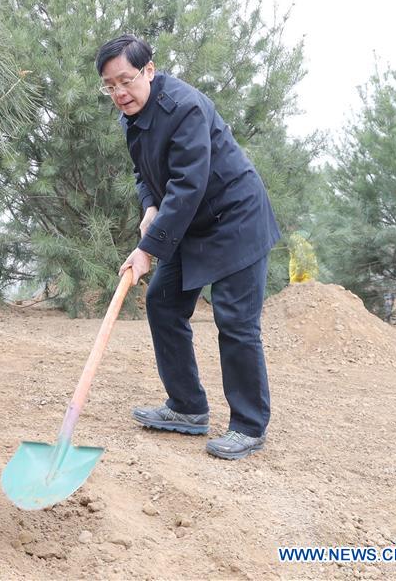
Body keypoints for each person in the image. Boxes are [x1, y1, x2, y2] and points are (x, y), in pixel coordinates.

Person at [95, 34, 281, 460]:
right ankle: (187, 407)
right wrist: (150, 205)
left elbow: (188, 186)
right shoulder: (131, 117)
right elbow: (145, 173)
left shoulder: (184, 108)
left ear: (149, 70)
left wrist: (147, 249)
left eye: (126, 80)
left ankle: (248, 426)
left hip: (235, 219)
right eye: (110, 86)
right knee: (162, 302)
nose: (119, 93)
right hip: (192, 222)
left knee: (235, 321)